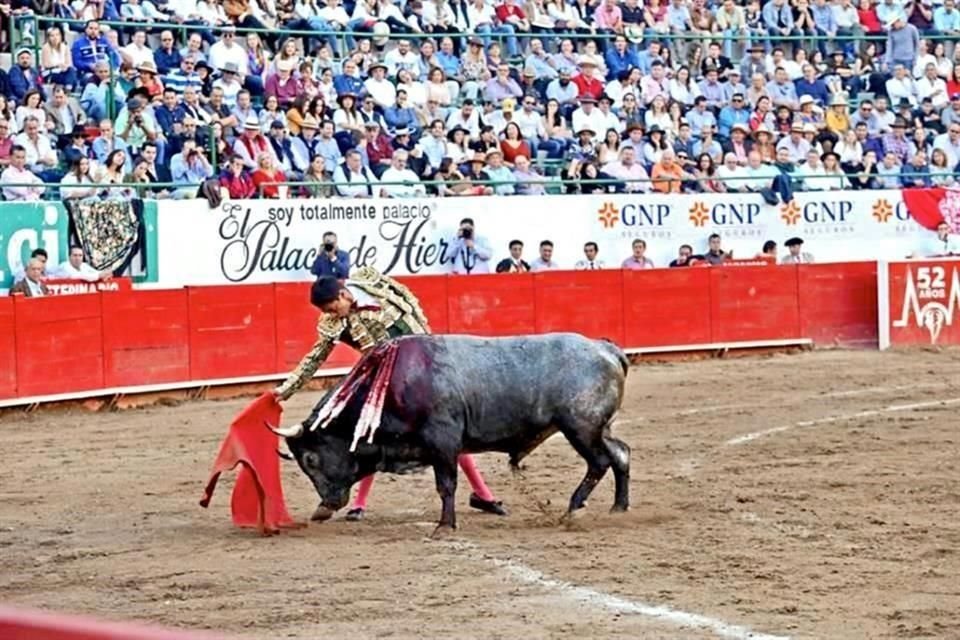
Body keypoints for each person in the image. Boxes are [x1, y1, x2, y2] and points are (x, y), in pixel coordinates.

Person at [273, 267, 507, 522]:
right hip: (382, 380)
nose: (331, 315)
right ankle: (358, 504)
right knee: (370, 432)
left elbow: (412, 314)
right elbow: (314, 357)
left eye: (332, 308)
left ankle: (482, 494)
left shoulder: (371, 282)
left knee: (445, 431)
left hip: (422, 373)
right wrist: (286, 389)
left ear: (343, 294)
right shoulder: (333, 321)